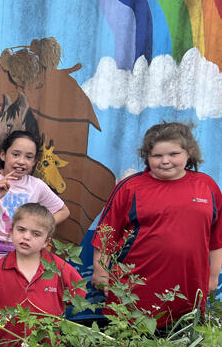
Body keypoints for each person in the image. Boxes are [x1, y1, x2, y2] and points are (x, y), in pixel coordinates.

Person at [92, 122, 222, 327]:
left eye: (174, 154)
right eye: (157, 156)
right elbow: (107, 233)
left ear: (189, 153)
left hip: (188, 292)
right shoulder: (130, 188)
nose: (166, 161)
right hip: (133, 295)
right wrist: (100, 271)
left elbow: (216, 238)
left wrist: (213, 276)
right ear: (147, 157)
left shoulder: (207, 187)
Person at [0, 203, 85, 347]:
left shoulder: (58, 268)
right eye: (21, 230)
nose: (26, 237)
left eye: (36, 234)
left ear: (47, 241)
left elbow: (79, 292)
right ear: (11, 231)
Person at [0, 130, 69, 279]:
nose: (21, 161)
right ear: (3, 155)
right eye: (15, 154)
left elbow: (63, 211)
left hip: (26, 261)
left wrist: (38, 228)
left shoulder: (36, 185)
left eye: (29, 157)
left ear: (34, 162)